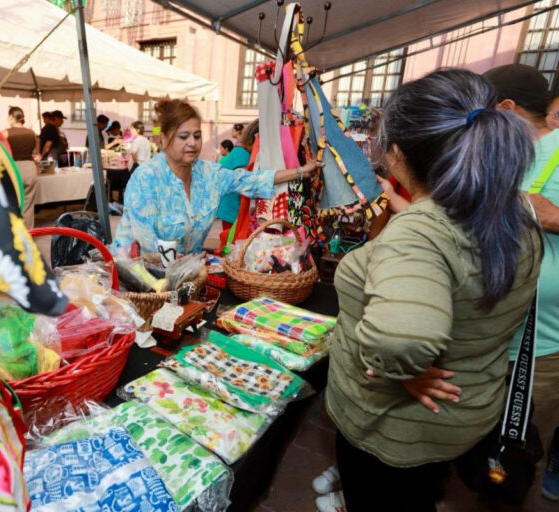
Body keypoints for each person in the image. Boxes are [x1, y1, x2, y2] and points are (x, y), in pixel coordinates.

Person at [325, 69, 543, 511]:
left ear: (399, 153)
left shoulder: (416, 235)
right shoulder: (511, 209)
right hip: (459, 414)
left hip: (393, 431)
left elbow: (401, 335)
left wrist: (398, 368)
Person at [484, 64, 559, 503]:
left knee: (518, 456)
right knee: (491, 454)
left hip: (542, 351)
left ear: (506, 110)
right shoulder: (510, 162)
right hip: (495, 339)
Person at [112, 99, 319, 255]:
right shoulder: (146, 178)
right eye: (183, 137)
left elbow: (253, 180)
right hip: (140, 281)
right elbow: (147, 244)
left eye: (197, 135)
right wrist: (182, 274)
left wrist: (301, 171)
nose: (192, 143)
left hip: (186, 281)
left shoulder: (210, 174)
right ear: (164, 139)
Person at [3, 106, 40, 229]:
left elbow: (0, 153)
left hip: (13, 168)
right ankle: (28, 233)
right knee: (28, 204)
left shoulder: (6, 133)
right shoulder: (31, 133)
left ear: (11, 117)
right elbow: (36, 153)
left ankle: (14, 232)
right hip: (30, 168)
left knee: (12, 201)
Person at [216, 123, 254, 230]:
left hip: (231, 204)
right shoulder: (241, 153)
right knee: (232, 241)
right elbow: (243, 183)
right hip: (232, 206)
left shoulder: (240, 151)